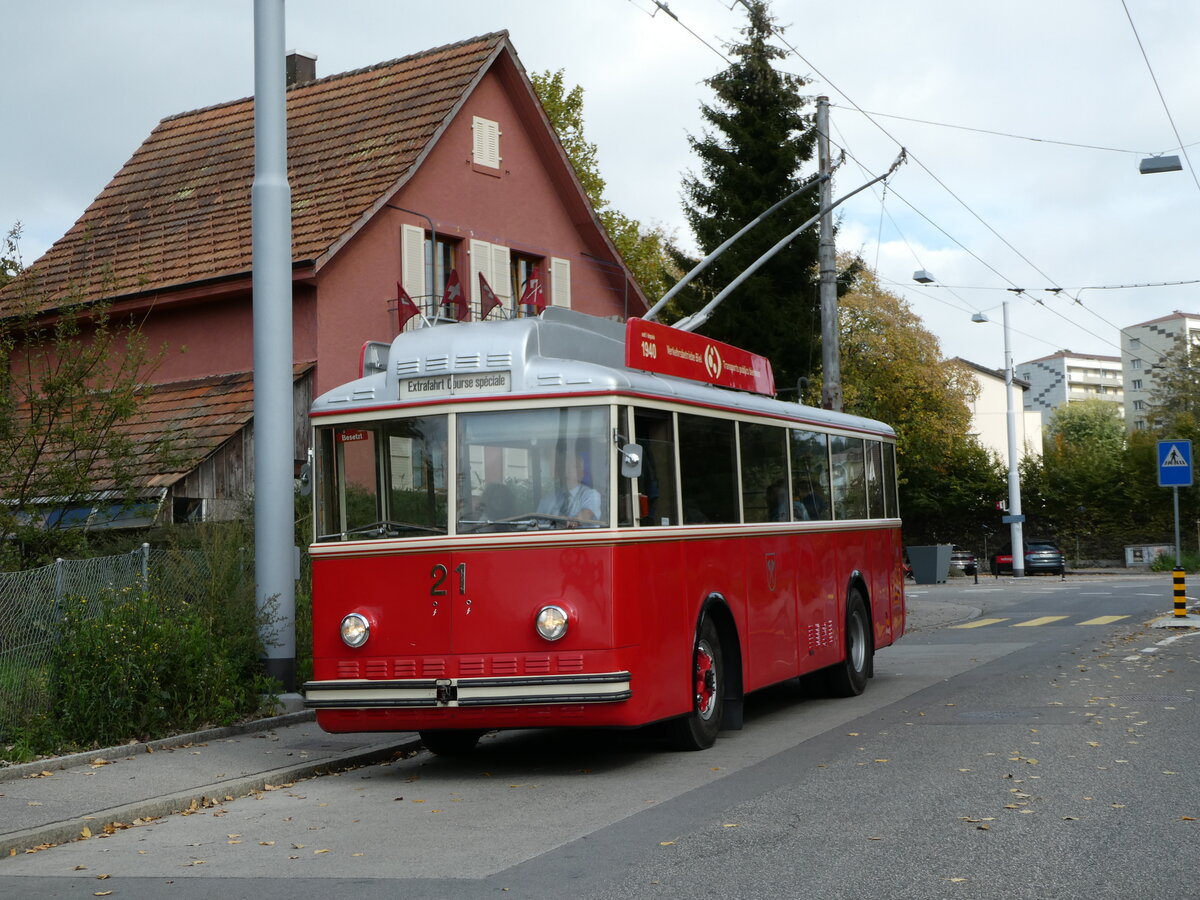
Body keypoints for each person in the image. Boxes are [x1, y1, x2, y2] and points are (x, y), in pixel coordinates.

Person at [538, 452, 602, 521]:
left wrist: (566, 524)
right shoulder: (548, 499)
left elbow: (583, 517)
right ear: (559, 473)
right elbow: (536, 524)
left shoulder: (590, 495)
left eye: (573, 467)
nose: (567, 471)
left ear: (582, 473)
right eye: (564, 467)